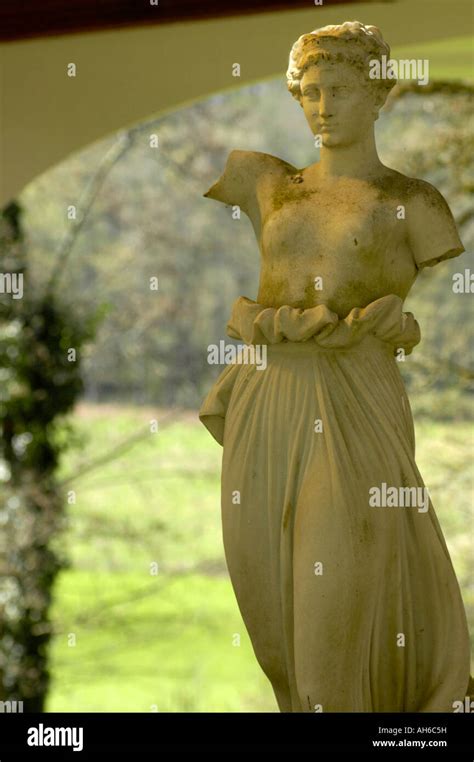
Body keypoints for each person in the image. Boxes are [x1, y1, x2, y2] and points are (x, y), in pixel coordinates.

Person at [200, 21, 471, 712]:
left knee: (330, 636)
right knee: (279, 645)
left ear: (377, 93)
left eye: (341, 91)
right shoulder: (269, 185)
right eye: (310, 93)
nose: (322, 107)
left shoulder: (413, 203)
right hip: (265, 398)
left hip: (354, 400)